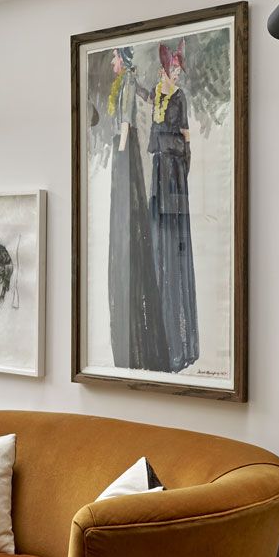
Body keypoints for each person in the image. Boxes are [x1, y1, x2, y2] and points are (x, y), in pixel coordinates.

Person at [106, 46, 168, 370]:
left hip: (125, 152)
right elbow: (145, 96)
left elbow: (127, 122)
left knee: (129, 208)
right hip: (125, 151)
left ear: (123, 59)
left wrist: (119, 154)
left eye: (115, 57)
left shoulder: (127, 81)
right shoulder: (128, 81)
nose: (112, 62)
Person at [145, 39, 199, 373]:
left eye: (179, 69)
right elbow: (147, 101)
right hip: (159, 171)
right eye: (173, 69)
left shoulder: (180, 97)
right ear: (164, 70)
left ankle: (180, 343)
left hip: (175, 174)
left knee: (173, 239)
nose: (177, 73)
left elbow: (185, 134)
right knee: (158, 239)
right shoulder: (157, 95)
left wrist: (184, 160)